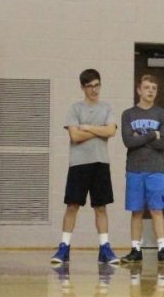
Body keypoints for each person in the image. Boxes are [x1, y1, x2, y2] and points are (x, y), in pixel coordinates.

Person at [51, 69, 120, 265]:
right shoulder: (74, 109)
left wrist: (88, 127)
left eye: (97, 85)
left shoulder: (107, 107)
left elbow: (111, 131)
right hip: (79, 164)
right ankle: (64, 247)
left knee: (101, 206)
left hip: (100, 163)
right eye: (90, 86)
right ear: (83, 87)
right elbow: (75, 136)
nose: (94, 89)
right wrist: (101, 131)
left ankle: (104, 248)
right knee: (72, 205)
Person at [120, 75, 164, 264]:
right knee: (136, 211)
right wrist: (152, 135)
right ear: (139, 90)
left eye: (154, 88)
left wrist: (140, 139)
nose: (150, 91)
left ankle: (162, 249)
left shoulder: (162, 114)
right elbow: (128, 141)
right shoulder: (128, 114)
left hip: (156, 170)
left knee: (157, 209)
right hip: (134, 169)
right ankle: (136, 248)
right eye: (147, 87)